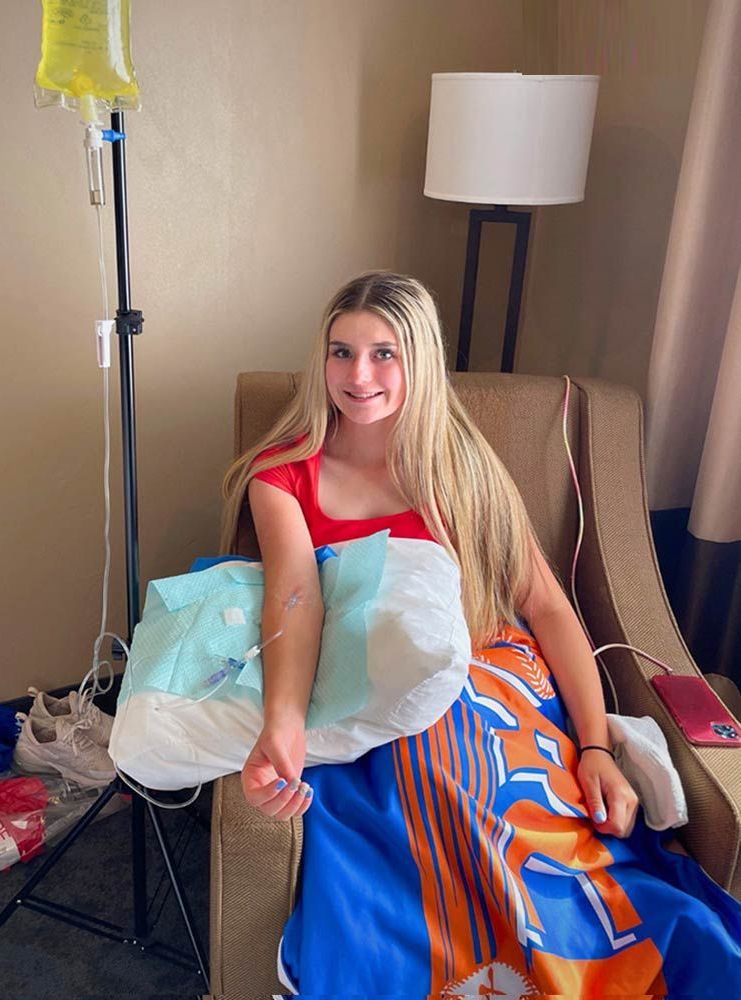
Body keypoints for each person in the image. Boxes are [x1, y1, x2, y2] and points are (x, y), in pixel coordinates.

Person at [220, 271, 740, 995]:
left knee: (510, 811)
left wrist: (595, 747)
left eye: (384, 353)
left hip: (489, 669)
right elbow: (296, 599)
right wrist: (282, 721)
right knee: (405, 811)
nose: (358, 375)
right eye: (341, 352)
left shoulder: (462, 469)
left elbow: (549, 608)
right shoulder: (285, 475)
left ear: (420, 359)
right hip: (367, 675)